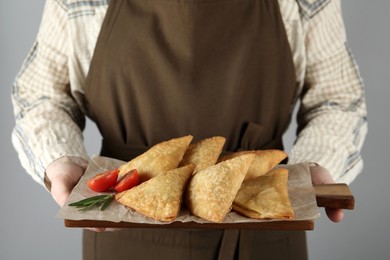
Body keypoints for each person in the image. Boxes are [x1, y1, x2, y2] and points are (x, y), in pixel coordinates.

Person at [11, 0, 367, 259]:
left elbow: (337, 98)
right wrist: (60, 159)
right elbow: (42, 96)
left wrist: (313, 167)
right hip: (124, 225)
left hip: (265, 232)